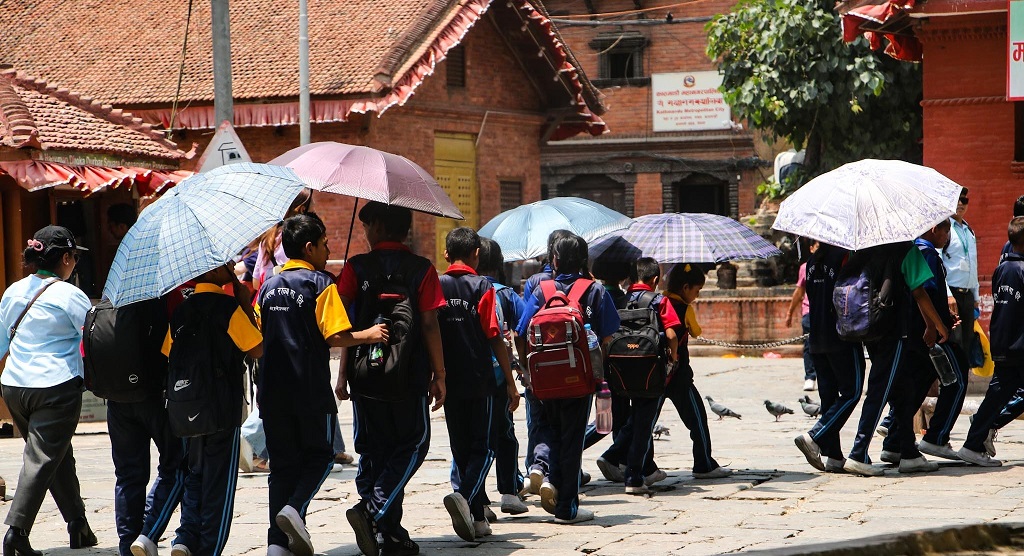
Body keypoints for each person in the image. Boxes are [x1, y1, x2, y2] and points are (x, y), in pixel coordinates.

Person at [256, 214, 387, 556]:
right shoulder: (320, 284)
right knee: (323, 456)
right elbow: (336, 336)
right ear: (310, 247)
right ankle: (295, 508)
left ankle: (276, 545)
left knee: (281, 468)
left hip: (271, 390)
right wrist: (369, 334)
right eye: (326, 242)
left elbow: (258, 336)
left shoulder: (268, 286)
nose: (329, 247)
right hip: (309, 389)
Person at [335, 202, 446, 556]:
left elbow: (344, 324)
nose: (365, 231)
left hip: (364, 376)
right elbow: (429, 323)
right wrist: (440, 374)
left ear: (380, 226)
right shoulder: (422, 269)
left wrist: (342, 375)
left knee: (374, 450)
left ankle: (389, 532)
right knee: (414, 443)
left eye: (368, 225)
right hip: (408, 377)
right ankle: (373, 512)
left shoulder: (355, 268)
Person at [97, 203, 188, 556]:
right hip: (154, 392)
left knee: (128, 476)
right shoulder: (162, 285)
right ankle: (147, 533)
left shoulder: (113, 280)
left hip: (118, 395)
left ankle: (126, 545)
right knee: (175, 463)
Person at [0, 226, 97, 555]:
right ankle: (16, 532)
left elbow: (1, 343)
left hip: (14, 386)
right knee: (42, 457)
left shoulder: (12, 292)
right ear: (67, 258)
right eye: (74, 259)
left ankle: (78, 525)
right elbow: (93, 339)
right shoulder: (71, 295)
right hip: (55, 387)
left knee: (56, 455)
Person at [515, 233, 620, 524]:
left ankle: (548, 476)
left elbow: (521, 334)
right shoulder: (596, 290)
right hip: (580, 379)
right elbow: (609, 336)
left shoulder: (541, 289)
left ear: (555, 260)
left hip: (545, 380)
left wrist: (528, 371)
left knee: (549, 429)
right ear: (585, 260)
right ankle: (567, 507)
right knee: (572, 438)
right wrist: (596, 367)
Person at [162, 263, 263, 556]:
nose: (232, 266)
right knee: (219, 482)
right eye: (226, 264)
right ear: (213, 271)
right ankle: (209, 548)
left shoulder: (181, 310)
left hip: (186, 407)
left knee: (195, 473)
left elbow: (168, 352)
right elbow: (257, 348)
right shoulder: (228, 309)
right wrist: (245, 304)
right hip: (221, 408)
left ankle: (185, 538)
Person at [841, 242, 949, 477]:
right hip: (894, 331)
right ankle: (858, 453)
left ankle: (908, 452)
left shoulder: (860, 248)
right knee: (880, 389)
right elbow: (919, 291)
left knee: (903, 388)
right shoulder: (906, 249)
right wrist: (938, 325)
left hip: (869, 326)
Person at [437, 227, 518, 541]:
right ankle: (467, 498)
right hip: (480, 380)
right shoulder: (483, 286)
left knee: (460, 448)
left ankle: (476, 514)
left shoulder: (436, 285)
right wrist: (510, 382)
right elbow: (493, 336)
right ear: (476, 255)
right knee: (484, 447)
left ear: (446, 255)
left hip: (448, 379)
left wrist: (435, 374)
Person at [597, 257, 679, 494]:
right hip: (649, 371)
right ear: (654, 279)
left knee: (627, 420)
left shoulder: (617, 299)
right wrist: (673, 358)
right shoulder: (659, 300)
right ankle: (633, 477)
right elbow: (672, 335)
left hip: (620, 370)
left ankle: (614, 456)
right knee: (643, 423)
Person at [793, 242, 865, 473]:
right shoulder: (845, 257)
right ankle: (815, 435)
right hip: (841, 337)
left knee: (829, 398)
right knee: (852, 392)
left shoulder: (812, 262)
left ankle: (833, 456)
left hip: (817, 338)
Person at [958, 216, 1024, 466]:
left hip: (1002, 341)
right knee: (998, 394)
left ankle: (976, 437)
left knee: (998, 393)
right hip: (1018, 345)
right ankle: (976, 438)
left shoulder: (1001, 269)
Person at [660, 263, 733, 480]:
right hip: (679, 375)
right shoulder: (685, 309)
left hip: (656, 375)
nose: (697, 295)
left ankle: (638, 465)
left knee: (645, 423)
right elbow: (697, 331)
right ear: (685, 287)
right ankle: (704, 464)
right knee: (698, 420)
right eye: (696, 290)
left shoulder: (659, 302)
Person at [475, 238, 529, 516]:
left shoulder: (465, 288)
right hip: (498, 374)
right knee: (505, 434)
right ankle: (509, 491)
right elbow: (524, 326)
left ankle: (477, 498)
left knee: (473, 439)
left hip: (469, 374)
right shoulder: (506, 294)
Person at [909, 221, 970, 461]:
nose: (947, 238)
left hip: (924, 330)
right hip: (931, 333)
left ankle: (895, 435)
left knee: (920, 380)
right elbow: (921, 294)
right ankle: (937, 437)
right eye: (946, 232)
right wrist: (934, 325)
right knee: (956, 378)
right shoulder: (926, 253)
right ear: (934, 230)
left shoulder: (917, 251)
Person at [520, 230, 573, 495]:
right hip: (574, 370)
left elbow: (522, 326)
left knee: (538, 421)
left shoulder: (534, 283)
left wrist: (524, 368)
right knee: (569, 426)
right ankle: (557, 478)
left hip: (540, 367)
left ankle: (536, 465)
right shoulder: (585, 285)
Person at [943, 187, 979, 358]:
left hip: (968, 296)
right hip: (953, 295)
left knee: (967, 343)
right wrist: (948, 294)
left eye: (964, 200)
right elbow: (938, 264)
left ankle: (963, 383)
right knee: (954, 343)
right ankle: (952, 384)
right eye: (957, 200)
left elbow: (974, 263)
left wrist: (976, 296)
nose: (960, 204)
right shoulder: (945, 229)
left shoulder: (969, 230)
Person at [785, 241, 818, 391]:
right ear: (811, 249)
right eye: (817, 247)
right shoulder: (805, 268)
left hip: (827, 311)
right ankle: (810, 376)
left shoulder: (832, 266)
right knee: (809, 345)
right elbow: (799, 291)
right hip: (809, 311)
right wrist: (790, 313)